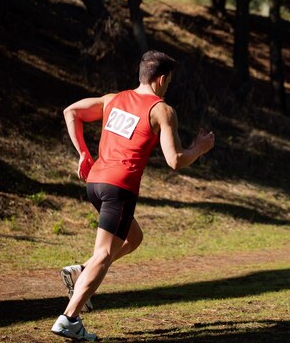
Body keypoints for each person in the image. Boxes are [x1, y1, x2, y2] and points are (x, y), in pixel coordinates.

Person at [51, 50, 215, 341]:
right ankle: (69, 318)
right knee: (104, 253)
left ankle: (81, 272)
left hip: (96, 184)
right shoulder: (161, 110)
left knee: (133, 238)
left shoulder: (112, 99)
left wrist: (83, 154)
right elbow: (175, 160)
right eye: (169, 81)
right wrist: (199, 148)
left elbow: (71, 112)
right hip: (120, 188)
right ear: (162, 78)